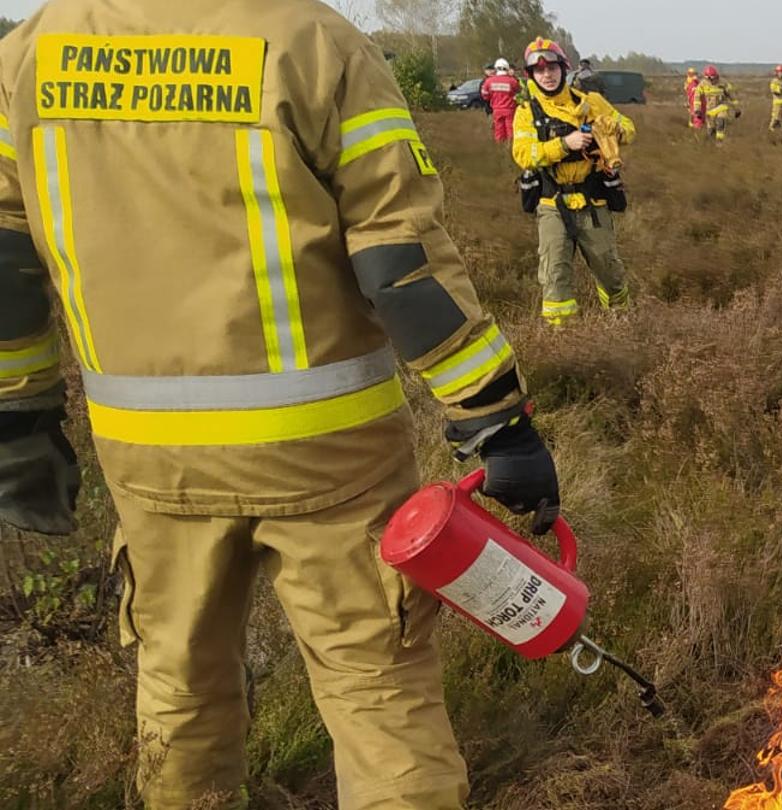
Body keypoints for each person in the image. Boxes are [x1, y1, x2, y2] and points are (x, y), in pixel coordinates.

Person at [0, 0, 565, 805]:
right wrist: (492, 416)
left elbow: (5, 260)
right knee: (377, 693)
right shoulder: (311, 41)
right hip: (329, 455)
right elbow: (402, 263)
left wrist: (18, 417)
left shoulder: (29, 54)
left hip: (148, 458)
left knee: (178, 688)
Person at [513, 37, 636, 326]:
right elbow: (523, 154)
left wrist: (612, 131)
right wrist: (565, 144)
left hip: (593, 201)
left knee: (610, 273)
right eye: (539, 70)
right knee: (555, 276)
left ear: (563, 69)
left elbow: (630, 129)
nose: (547, 74)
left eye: (552, 67)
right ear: (531, 76)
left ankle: (620, 324)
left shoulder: (590, 102)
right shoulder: (526, 113)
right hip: (552, 204)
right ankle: (563, 342)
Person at [481, 57, 522, 143]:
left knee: (499, 130)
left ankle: (500, 147)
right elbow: (519, 92)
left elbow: (485, 96)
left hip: (496, 110)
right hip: (510, 109)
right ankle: (510, 147)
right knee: (511, 130)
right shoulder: (512, 81)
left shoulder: (488, 81)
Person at [696, 64, 738, 142]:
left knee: (720, 122)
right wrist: (697, 110)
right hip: (710, 110)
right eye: (709, 78)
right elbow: (697, 98)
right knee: (711, 130)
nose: (711, 80)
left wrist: (736, 109)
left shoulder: (723, 83)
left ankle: (719, 142)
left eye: (712, 78)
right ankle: (710, 147)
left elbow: (731, 96)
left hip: (721, 107)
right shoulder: (702, 84)